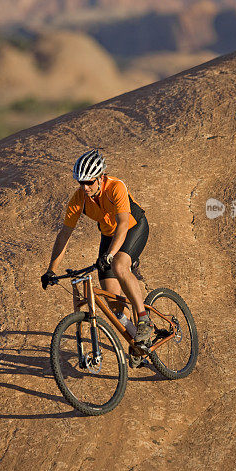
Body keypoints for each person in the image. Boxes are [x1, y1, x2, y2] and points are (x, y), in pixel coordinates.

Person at [41, 149, 153, 348]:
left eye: (89, 182)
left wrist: (110, 254)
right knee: (111, 300)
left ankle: (143, 319)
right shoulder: (78, 200)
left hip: (132, 228)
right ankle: (139, 342)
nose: (85, 187)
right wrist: (51, 270)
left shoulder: (116, 187)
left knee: (119, 265)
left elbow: (122, 223)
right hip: (109, 236)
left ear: (101, 178)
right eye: (80, 182)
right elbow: (64, 235)